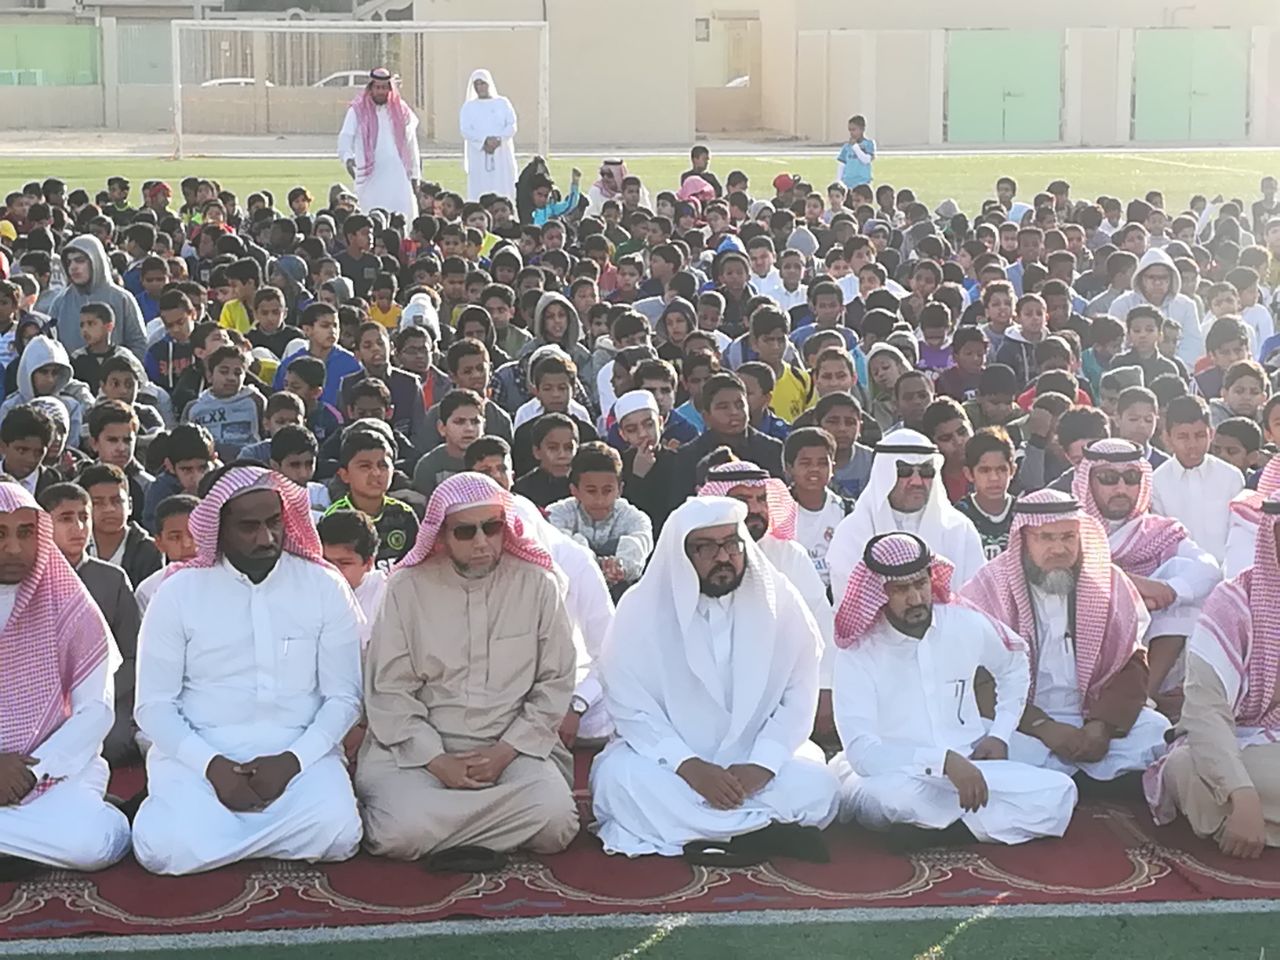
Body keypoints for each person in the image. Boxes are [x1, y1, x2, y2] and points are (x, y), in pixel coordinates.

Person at [131, 466, 364, 875]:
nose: (266, 538)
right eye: (249, 527)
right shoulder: (177, 594)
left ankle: (226, 842)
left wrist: (291, 762)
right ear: (219, 528)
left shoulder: (323, 587)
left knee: (339, 833)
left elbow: (343, 698)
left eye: (274, 523)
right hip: (199, 753)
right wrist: (213, 767)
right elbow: (153, 707)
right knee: (166, 847)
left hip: (298, 755)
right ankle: (256, 837)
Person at [590, 496, 840, 863]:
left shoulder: (780, 599)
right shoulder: (641, 609)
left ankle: (704, 833)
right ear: (681, 554)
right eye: (705, 547)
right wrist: (687, 765)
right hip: (670, 766)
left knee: (818, 786)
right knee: (619, 782)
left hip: (753, 759)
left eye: (731, 544)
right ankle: (756, 833)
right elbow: (628, 703)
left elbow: (799, 693)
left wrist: (762, 764)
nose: (723, 557)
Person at [356, 473, 580, 868]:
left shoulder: (538, 585)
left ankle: (447, 832)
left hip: (512, 748)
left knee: (555, 821)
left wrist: (503, 752)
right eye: (466, 532)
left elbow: (555, 683)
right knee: (399, 830)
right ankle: (491, 830)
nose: (481, 542)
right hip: (416, 751)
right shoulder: (406, 588)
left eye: (492, 528)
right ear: (441, 534)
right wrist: (437, 759)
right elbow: (389, 690)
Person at [830, 532, 1076, 844]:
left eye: (920, 584)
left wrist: (999, 733)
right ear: (879, 593)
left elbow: (1014, 663)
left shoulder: (962, 623)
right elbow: (863, 754)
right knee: (893, 800)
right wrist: (942, 762)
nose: (917, 598)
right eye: (901, 589)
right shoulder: (858, 653)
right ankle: (968, 823)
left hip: (971, 764)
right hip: (897, 775)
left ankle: (936, 830)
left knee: (1059, 791)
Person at [960, 490, 1170, 782]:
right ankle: (1087, 778)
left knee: (1156, 730)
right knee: (978, 737)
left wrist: (1103, 726)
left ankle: (1057, 777)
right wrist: (1044, 727)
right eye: (1046, 538)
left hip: (1090, 714)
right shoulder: (989, 588)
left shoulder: (1107, 583)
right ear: (1023, 539)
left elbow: (1131, 661)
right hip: (1023, 722)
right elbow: (974, 677)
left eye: (1068, 537)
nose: (1059, 549)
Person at [0, 481, 131, 875]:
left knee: (88, 844)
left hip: (55, 771)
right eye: (0, 534)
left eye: (25, 532)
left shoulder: (70, 605)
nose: (13, 549)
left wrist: (30, 772)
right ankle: (25, 846)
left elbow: (95, 713)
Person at [1145, 492, 1280, 858]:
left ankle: (1242, 824)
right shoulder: (1234, 602)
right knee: (1184, 767)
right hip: (1235, 741)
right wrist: (1242, 792)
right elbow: (1204, 712)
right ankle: (1247, 814)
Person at [1073, 439, 1221, 710]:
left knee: (1182, 581)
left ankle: (1142, 697)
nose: (1121, 488)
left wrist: (1168, 590)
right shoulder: (1070, 530)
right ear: (1088, 481)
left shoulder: (1157, 531)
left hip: (1145, 646)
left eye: (1131, 478)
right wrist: (1131, 584)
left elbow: (1209, 569)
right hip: (1083, 641)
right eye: (1108, 478)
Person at [699, 459, 836, 696]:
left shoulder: (789, 555)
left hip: (782, 685)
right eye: (742, 501)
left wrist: (824, 686)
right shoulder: (694, 556)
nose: (755, 509)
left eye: (762, 499)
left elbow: (820, 622)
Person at [827, 429, 985, 604]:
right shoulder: (853, 532)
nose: (917, 481)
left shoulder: (959, 528)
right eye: (904, 471)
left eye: (925, 471)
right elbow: (851, 605)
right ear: (884, 474)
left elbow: (975, 601)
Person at [1152, 395, 1243, 564]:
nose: (1192, 444)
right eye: (1183, 437)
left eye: (1200, 435)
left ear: (1211, 434)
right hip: (1180, 577)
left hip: (1227, 578)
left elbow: (1239, 536)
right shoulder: (1157, 482)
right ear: (1167, 438)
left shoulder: (1231, 477)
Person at [337, 68, 421, 223]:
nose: (380, 91)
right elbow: (345, 137)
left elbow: (411, 143)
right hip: (370, 175)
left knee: (403, 215)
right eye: (377, 87)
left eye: (384, 87)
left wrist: (416, 174)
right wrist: (348, 158)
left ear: (390, 88)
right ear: (371, 88)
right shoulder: (358, 110)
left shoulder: (401, 110)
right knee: (371, 217)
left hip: (397, 174)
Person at [459, 69, 518, 203]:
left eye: (482, 83)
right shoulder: (469, 107)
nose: (480, 87)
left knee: (503, 184)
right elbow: (466, 130)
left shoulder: (503, 103)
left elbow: (512, 125)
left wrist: (498, 139)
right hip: (479, 155)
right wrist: (484, 141)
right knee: (481, 186)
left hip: (501, 153)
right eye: (477, 84)